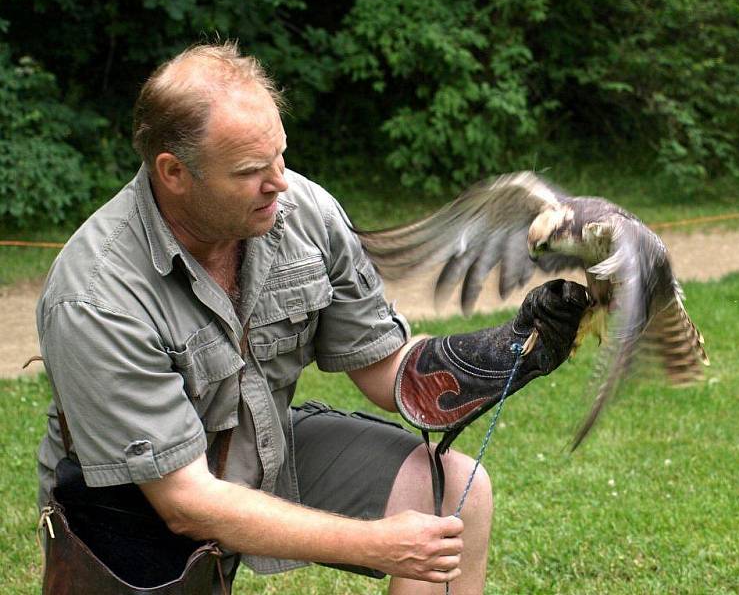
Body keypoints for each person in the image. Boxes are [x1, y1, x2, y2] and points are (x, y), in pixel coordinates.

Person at [35, 42, 589, 594]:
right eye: (251, 170)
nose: (280, 181)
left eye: (281, 154)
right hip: (133, 507)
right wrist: (379, 543)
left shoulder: (302, 211)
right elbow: (185, 502)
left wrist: (512, 349)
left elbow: (386, 370)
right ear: (174, 172)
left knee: (455, 490)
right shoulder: (96, 294)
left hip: (262, 443)